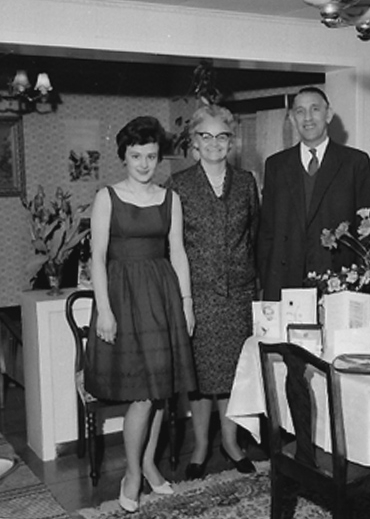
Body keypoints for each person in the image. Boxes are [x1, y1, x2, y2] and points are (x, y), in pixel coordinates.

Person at [84, 116, 196, 513]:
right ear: (124, 157)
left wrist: (186, 303)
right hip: (123, 298)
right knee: (144, 395)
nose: (144, 164)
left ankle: (149, 465)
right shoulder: (107, 197)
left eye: (151, 156)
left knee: (161, 390)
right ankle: (131, 473)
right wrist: (104, 311)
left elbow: (177, 252)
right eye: (136, 156)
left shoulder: (170, 199)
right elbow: (97, 257)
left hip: (162, 296)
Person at [166, 104, 259, 480]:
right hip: (198, 296)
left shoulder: (246, 182)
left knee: (235, 373)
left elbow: (255, 235)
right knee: (200, 378)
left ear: (231, 142)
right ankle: (202, 445)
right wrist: (181, 299)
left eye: (222, 136)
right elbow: (171, 245)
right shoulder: (179, 185)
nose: (215, 143)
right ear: (194, 141)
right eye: (206, 136)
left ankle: (231, 442)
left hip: (238, 295)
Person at [258, 86, 370, 300]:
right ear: (292, 118)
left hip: (339, 283)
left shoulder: (355, 163)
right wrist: (267, 285)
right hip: (286, 283)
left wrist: (363, 288)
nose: (307, 118)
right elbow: (267, 233)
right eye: (300, 111)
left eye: (315, 109)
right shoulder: (276, 165)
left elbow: (368, 233)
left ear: (328, 114)